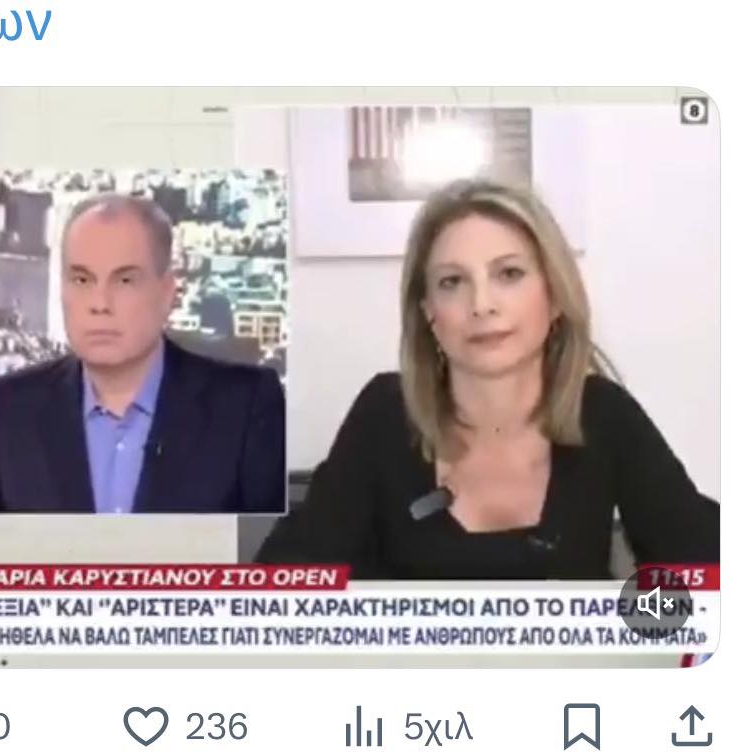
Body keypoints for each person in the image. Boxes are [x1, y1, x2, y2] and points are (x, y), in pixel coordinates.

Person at [258, 179, 718, 579]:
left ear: (555, 296)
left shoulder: (602, 414)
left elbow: (707, 564)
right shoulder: (387, 412)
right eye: (452, 282)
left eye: (509, 274)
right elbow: (282, 584)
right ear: (428, 312)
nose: (481, 305)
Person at [0, 193, 285, 513]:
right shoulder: (13, 407)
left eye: (125, 280)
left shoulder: (244, 408)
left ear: (167, 294)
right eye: (82, 279)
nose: (99, 304)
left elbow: (268, 541)